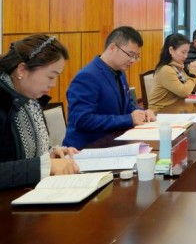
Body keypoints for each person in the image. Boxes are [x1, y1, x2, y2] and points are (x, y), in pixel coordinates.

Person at [0, 35, 80, 189]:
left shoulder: (29, 101)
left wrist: (50, 155)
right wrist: (45, 166)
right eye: (50, 76)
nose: (53, 84)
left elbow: (17, 156)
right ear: (22, 70)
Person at [64, 27, 155, 149]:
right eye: (130, 55)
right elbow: (82, 120)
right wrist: (128, 119)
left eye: (136, 56)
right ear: (112, 48)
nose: (133, 60)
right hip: (86, 148)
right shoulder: (87, 76)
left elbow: (128, 104)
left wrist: (143, 113)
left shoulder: (120, 73)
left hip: (113, 142)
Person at [148, 34, 196, 112]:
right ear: (171, 50)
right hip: (160, 112)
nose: (186, 56)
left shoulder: (177, 66)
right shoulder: (166, 69)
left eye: (187, 52)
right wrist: (193, 73)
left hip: (176, 108)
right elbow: (184, 93)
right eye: (183, 52)